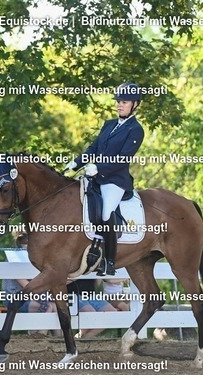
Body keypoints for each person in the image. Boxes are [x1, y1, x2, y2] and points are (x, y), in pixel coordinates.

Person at [64, 82, 145, 276]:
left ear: (134, 104)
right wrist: (76, 163)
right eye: (118, 101)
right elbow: (93, 148)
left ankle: (109, 260)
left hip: (115, 181)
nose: (119, 105)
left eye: (124, 102)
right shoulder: (109, 124)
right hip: (95, 177)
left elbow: (123, 159)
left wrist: (98, 168)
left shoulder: (135, 130)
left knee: (107, 212)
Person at [1, 233, 59, 336]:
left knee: (55, 307)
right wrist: (44, 295)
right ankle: (38, 336)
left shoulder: (32, 259)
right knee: (46, 306)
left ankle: (57, 339)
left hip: (29, 296)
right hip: (13, 296)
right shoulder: (14, 258)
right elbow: (26, 285)